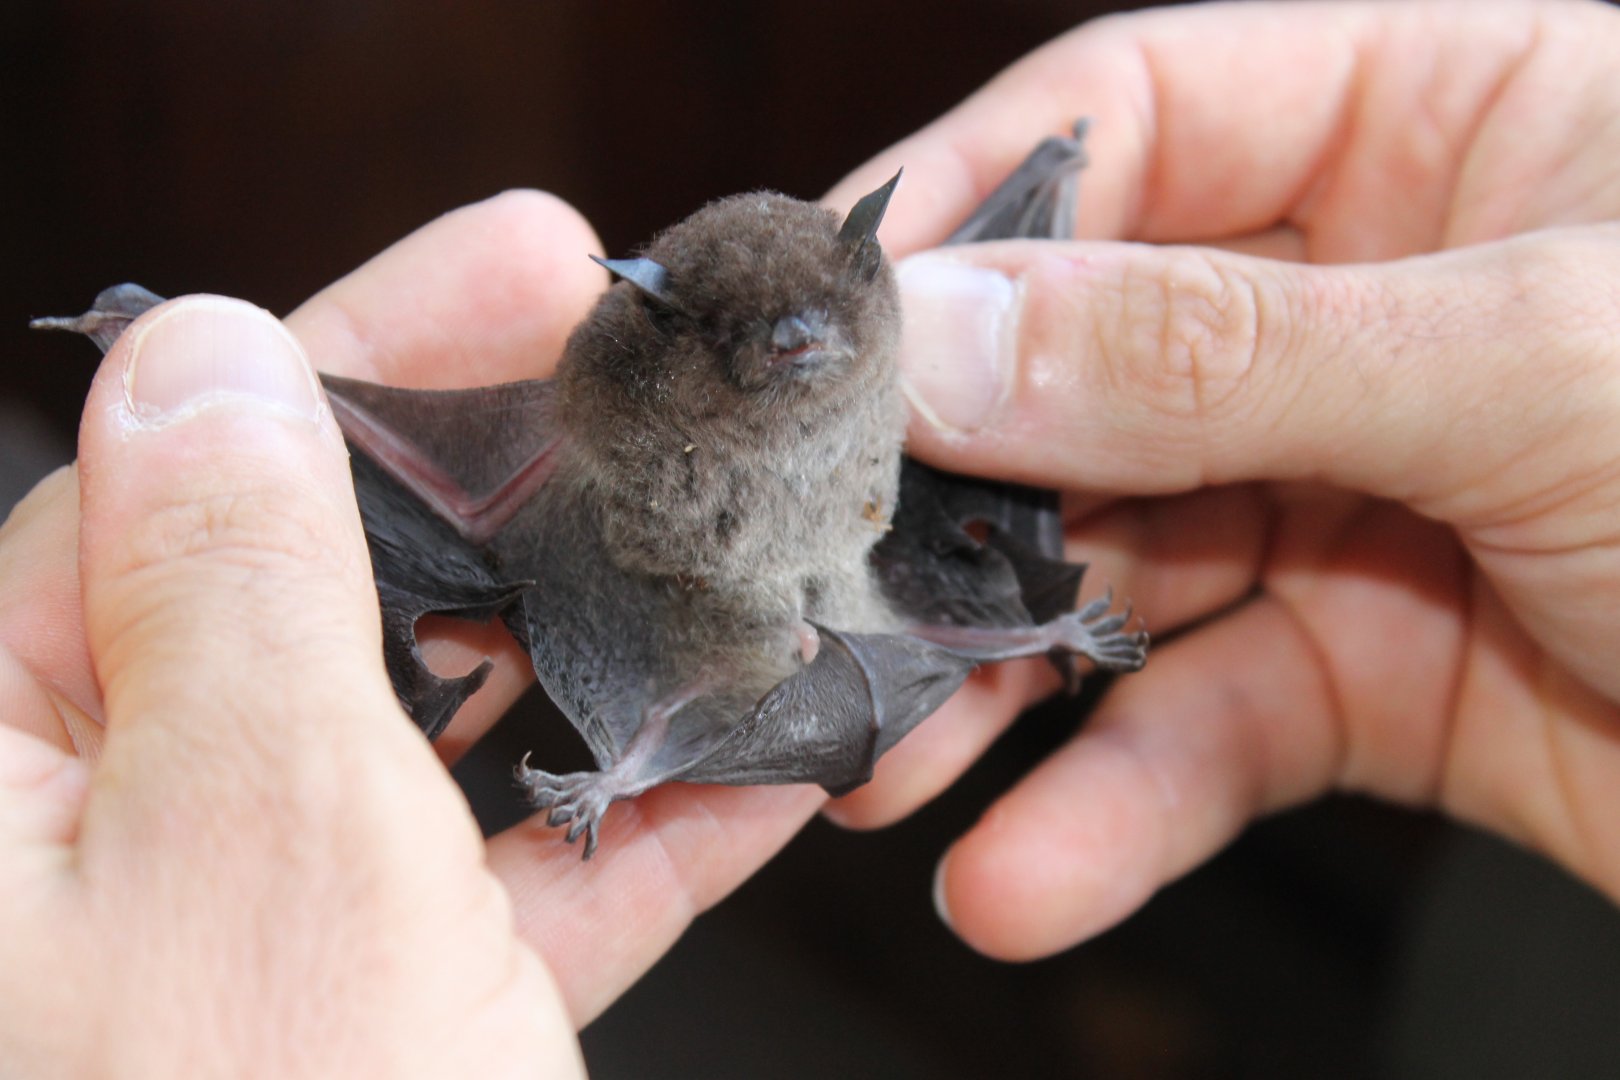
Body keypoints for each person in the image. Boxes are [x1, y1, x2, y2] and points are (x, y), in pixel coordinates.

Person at [2, 0, 1616, 1071]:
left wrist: (1031, 615)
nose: (795, 351)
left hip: (853, 565)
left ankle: (969, 641)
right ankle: (690, 731)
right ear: (659, 328)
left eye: (817, 322)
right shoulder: (587, 413)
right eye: (748, 339)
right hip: (650, 576)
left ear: (867, 277)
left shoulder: (898, 330)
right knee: (520, 535)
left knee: (870, 640)